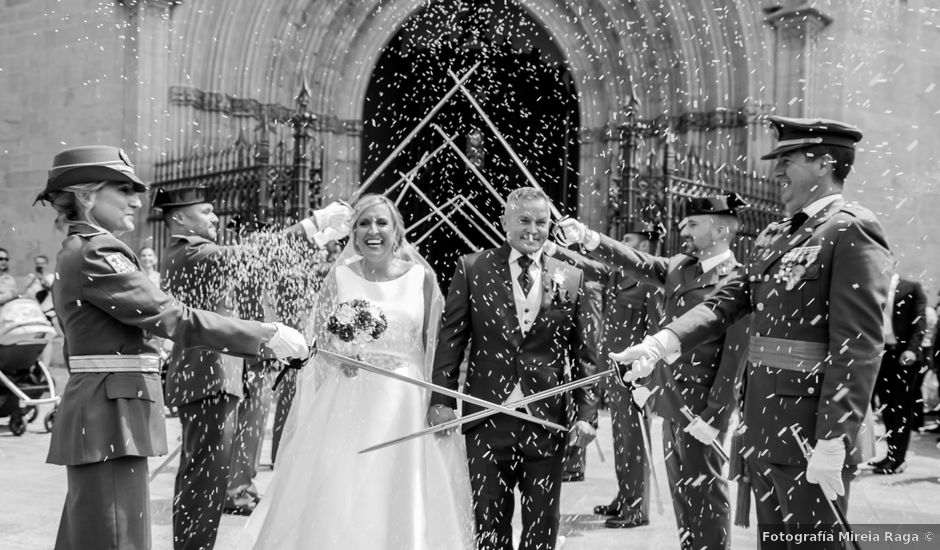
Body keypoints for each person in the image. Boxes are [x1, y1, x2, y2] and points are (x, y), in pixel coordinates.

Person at [599, 117, 892, 549]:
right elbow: (726, 302)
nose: (775, 171)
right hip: (765, 425)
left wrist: (834, 436)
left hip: (809, 431)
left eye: (787, 160)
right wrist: (663, 342)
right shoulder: (777, 235)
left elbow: (859, 345)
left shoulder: (850, 229)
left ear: (825, 164)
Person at [35, 145, 308, 550]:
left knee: (92, 534)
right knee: (115, 537)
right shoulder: (98, 251)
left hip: (110, 408)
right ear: (87, 195)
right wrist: (265, 335)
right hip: (111, 411)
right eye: (123, 189)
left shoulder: (86, 248)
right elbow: (175, 318)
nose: (136, 201)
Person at [239, 194, 474, 549]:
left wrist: (436, 401)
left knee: (398, 484)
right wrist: (342, 356)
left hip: (405, 400)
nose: (372, 231)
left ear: (397, 231)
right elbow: (320, 345)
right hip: (348, 398)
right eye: (364, 223)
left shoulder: (420, 278)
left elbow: (435, 346)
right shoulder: (341, 276)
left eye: (382, 223)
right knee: (343, 486)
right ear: (353, 232)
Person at [155, 184, 351, 550]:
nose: (215, 217)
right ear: (180, 217)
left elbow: (259, 264)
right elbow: (249, 254)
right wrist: (311, 225)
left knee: (209, 477)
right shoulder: (191, 252)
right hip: (207, 376)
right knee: (205, 478)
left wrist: (313, 240)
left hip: (213, 376)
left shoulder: (195, 251)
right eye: (207, 211)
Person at [560, 194, 750, 549]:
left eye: (693, 224)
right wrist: (590, 238)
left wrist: (715, 413)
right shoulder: (682, 267)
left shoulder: (737, 280)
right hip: (671, 400)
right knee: (682, 490)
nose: (684, 229)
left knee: (706, 492)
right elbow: (639, 262)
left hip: (701, 405)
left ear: (721, 229)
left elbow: (734, 358)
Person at [429, 187, 599, 550]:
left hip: (546, 420)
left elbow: (584, 353)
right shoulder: (472, 268)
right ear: (504, 222)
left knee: (543, 525)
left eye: (541, 222)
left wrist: (587, 412)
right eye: (524, 220)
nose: (533, 230)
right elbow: (451, 340)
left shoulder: (571, 277)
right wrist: (440, 400)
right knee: (489, 524)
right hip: (488, 418)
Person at [545, 220, 664, 529]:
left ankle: (635, 508)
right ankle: (625, 496)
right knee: (622, 441)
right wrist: (554, 250)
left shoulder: (649, 284)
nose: (619, 243)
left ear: (645, 247)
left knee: (634, 441)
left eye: (627, 238)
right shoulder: (617, 274)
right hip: (613, 371)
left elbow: (657, 332)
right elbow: (586, 265)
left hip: (633, 376)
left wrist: (647, 380)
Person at [870, 272, 926, 474]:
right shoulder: (872, 286)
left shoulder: (911, 287)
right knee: (887, 406)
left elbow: (919, 323)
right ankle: (890, 455)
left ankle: (898, 459)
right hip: (883, 355)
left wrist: (912, 349)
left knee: (901, 406)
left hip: (905, 356)